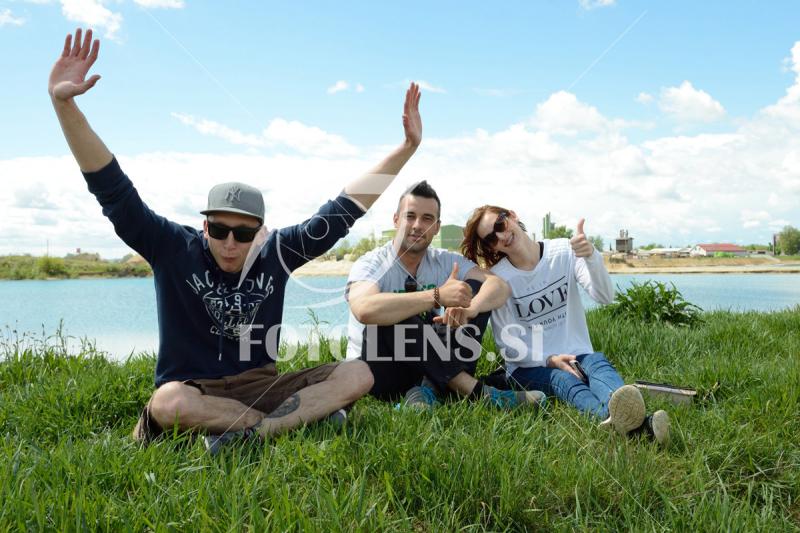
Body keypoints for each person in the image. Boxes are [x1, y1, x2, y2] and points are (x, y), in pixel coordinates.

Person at [48, 28, 424, 450]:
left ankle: (252, 433)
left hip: (262, 386)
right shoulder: (171, 247)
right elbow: (113, 191)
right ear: (204, 226)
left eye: (243, 233)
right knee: (169, 402)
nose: (230, 243)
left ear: (260, 232)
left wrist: (406, 148)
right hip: (195, 390)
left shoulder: (277, 252)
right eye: (219, 230)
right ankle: (296, 421)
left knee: (358, 374)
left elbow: (342, 211)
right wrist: (64, 105)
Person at [461, 206, 670, 444]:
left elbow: (604, 296)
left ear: (512, 215)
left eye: (500, 224)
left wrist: (591, 256)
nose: (501, 236)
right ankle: (630, 424)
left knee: (597, 363)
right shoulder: (499, 279)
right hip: (528, 365)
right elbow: (509, 348)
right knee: (563, 379)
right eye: (491, 238)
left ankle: (624, 419)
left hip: (578, 354)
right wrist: (549, 360)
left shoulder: (563, 251)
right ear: (492, 247)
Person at [345, 182, 546, 409]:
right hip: (380, 370)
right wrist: (437, 296)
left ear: (437, 227)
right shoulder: (371, 263)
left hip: (430, 364)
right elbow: (364, 309)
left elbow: (499, 286)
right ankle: (480, 394)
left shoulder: (444, 260)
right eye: (410, 216)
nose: (417, 225)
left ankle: (426, 392)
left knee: (473, 290)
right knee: (394, 312)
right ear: (396, 220)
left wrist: (471, 307)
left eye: (427, 219)